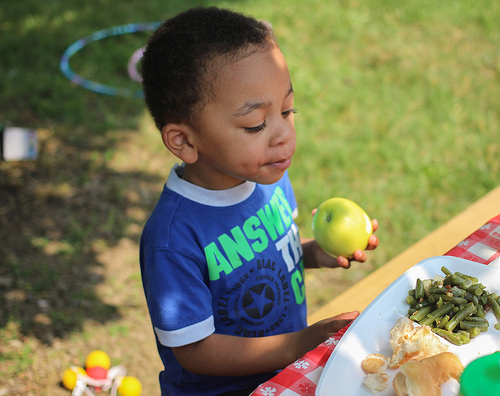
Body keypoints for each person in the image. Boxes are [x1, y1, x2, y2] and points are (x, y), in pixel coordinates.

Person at [139, 6, 379, 396]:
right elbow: (195, 350)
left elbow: (265, 259)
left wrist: (317, 253)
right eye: (255, 125)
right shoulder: (173, 239)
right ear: (184, 141)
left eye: (288, 110)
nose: (283, 133)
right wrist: (299, 343)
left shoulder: (266, 177)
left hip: (285, 377)